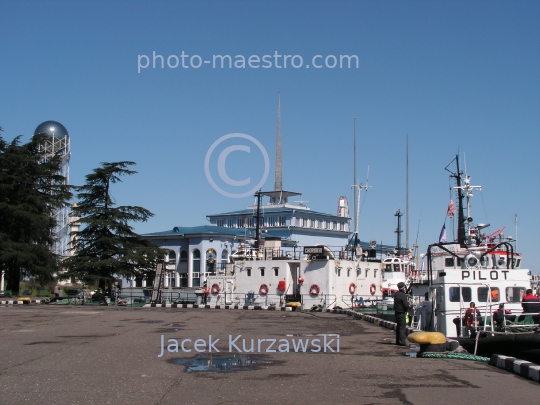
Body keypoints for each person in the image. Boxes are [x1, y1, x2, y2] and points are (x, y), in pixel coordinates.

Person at [393, 282, 410, 346]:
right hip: (401, 313)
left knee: (398, 327)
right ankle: (402, 342)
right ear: (403, 287)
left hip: (396, 313)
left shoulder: (396, 294)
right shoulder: (403, 295)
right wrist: (408, 305)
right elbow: (405, 305)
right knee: (402, 328)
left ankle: (398, 341)